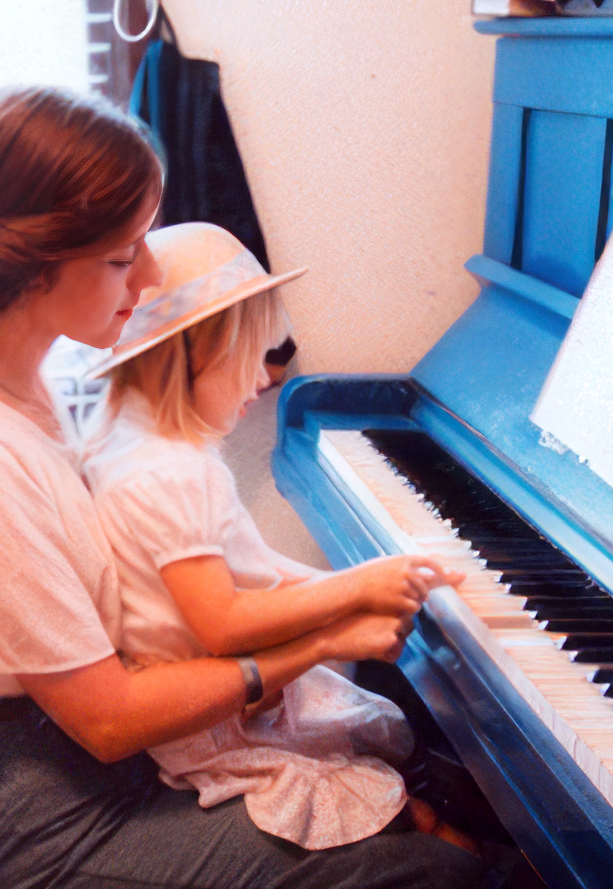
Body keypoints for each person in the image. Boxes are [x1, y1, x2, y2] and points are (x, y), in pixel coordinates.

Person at [0, 86, 500, 889]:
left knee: (390, 782)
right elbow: (108, 721)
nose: (147, 278)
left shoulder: (19, 391)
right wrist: (312, 642)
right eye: (121, 255)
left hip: (54, 769)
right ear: (37, 267)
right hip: (31, 828)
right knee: (433, 880)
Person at [83, 221, 472, 854]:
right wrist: (358, 585)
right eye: (250, 356)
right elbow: (223, 623)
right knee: (405, 809)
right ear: (192, 353)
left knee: (396, 744)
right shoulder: (172, 475)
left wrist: (363, 589)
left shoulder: (138, 447)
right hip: (218, 721)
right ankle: (490, 874)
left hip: (221, 700)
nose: (264, 378)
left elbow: (252, 570)